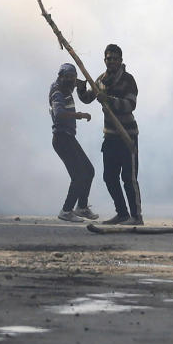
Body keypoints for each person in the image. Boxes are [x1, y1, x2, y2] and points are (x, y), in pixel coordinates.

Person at [80, 44, 142, 225]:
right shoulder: (101, 80)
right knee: (109, 177)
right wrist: (81, 89)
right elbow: (88, 98)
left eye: (115, 58)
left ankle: (136, 217)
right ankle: (122, 213)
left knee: (129, 178)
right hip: (110, 135)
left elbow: (130, 105)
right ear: (105, 60)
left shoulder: (128, 80)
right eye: (109, 59)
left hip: (127, 135)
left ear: (121, 60)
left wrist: (109, 100)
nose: (112, 61)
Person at [49, 63, 98, 222]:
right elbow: (59, 113)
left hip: (68, 137)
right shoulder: (57, 92)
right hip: (62, 138)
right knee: (78, 175)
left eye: (73, 77)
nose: (71, 80)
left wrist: (84, 84)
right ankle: (66, 210)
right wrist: (79, 115)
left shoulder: (66, 87)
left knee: (89, 171)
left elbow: (79, 86)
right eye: (67, 77)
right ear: (60, 77)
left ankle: (82, 207)